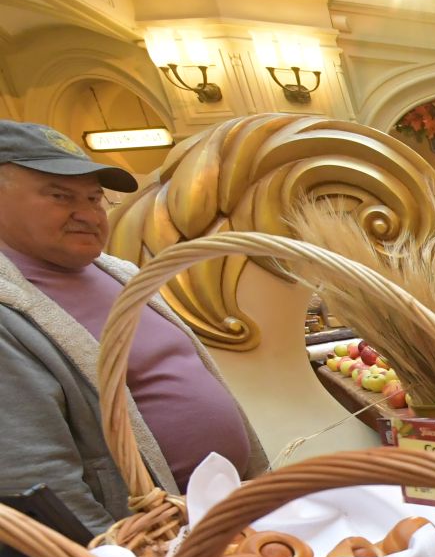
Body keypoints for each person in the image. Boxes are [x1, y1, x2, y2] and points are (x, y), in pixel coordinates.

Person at [0, 122, 264, 535]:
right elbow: (38, 480)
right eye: (60, 196)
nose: (88, 214)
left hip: (224, 516)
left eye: (94, 197)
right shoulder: (8, 309)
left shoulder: (119, 272)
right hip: (147, 549)